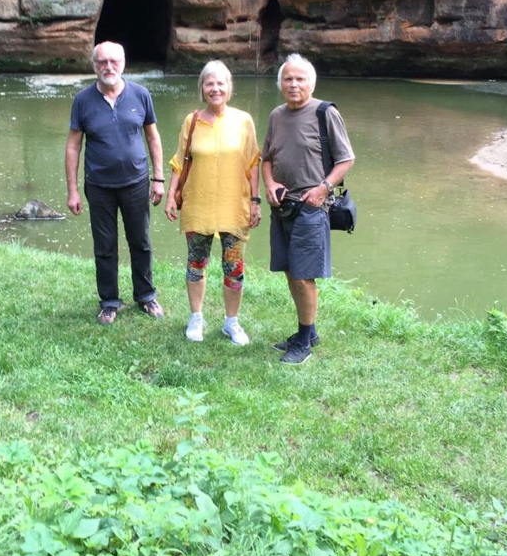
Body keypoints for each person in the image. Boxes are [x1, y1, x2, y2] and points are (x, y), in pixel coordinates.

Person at [262, 54, 355, 365]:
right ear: (280, 84)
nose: (294, 84)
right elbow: (266, 159)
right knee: (290, 271)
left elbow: (346, 159)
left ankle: (303, 343)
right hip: (282, 206)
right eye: (288, 79)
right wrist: (269, 184)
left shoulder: (325, 113)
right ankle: (308, 332)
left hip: (312, 207)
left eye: (300, 79)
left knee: (304, 276)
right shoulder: (276, 115)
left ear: (311, 83)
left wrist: (322, 188)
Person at [65, 41, 166, 324]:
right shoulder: (82, 100)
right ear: (94, 65)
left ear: (123, 63)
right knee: (105, 246)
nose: (108, 67)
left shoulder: (141, 94)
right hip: (99, 186)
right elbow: (73, 146)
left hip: (136, 182)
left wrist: (159, 178)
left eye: (114, 61)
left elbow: (153, 138)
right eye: (102, 62)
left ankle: (145, 295)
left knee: (141, 242)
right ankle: (109, 301)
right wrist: (72, 190)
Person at [165, 60, 261, 345]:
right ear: (202, 88)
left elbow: (254, 163)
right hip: (198, 203)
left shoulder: (243, 120)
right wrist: (171, 195)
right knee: (196, 263)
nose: (215, 88)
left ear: (229, 88)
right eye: (209, 83)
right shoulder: (191, 121)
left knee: (234, 267)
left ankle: (231, 322)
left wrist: (255, 201)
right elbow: (180, 160)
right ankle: (196, 317)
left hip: (234, 205)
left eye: (221, 83)